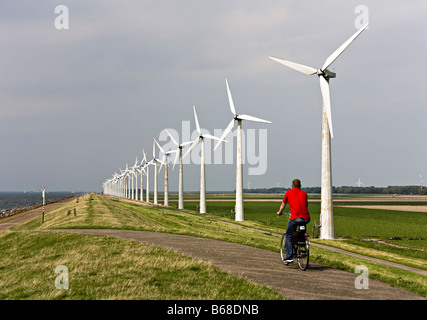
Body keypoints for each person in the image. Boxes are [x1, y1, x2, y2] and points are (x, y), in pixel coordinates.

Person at [277, 179, 310, 263]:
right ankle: (303, 249)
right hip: (306, 218)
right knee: (302, 233)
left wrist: (279, 212)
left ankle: (289, 257)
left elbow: (283, 204)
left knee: (288, 235)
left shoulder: (288, 192)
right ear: (300, 186)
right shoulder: (304, 193)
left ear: (292, 185)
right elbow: (306, 205)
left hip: (295, 218)